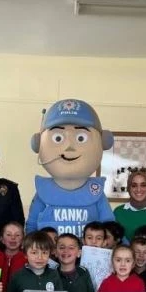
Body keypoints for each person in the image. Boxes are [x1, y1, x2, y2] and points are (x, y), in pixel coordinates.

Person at [27, 98, 115, 236]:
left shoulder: (96, 192)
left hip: (88, 256)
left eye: (81, 138)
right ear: (38, 144)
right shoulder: (43, 191)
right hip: (48, 255)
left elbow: (110, 227)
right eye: (58, 138)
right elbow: (31, 226)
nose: (69, 147)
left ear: (104, 142)